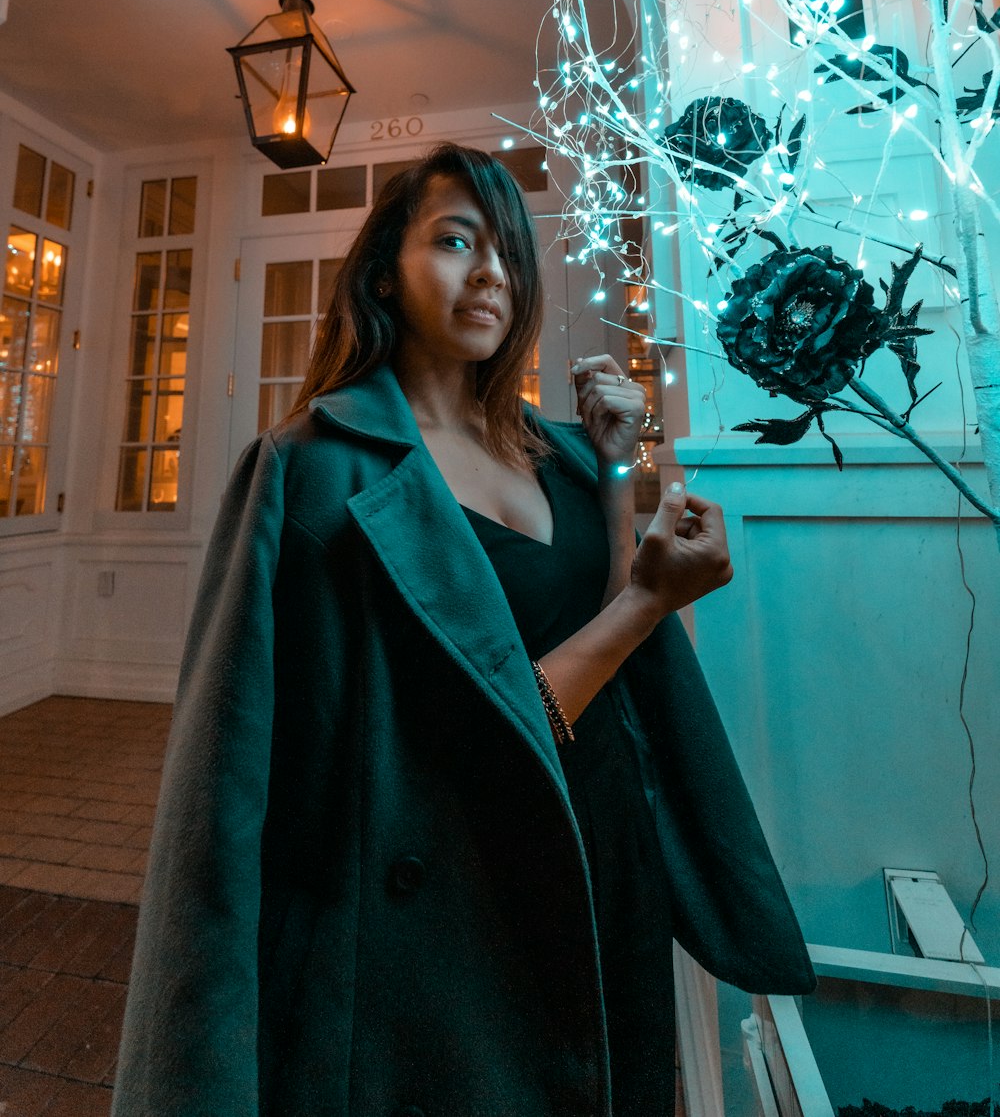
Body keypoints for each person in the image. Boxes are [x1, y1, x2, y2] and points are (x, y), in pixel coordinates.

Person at [111, 141, 814, 1117]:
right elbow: (235, 794)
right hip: (440, 943)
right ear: (384, 274)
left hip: (596, 863)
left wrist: (616, 476)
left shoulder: (561, 454)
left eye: (510, 254)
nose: (491, 272)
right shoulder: (311, 470)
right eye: (454, 241)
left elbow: (602, 647)